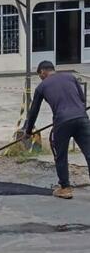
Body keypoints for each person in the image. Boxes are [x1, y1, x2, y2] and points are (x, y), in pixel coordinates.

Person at [24, 61, 90, 199]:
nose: (41, 78)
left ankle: (65, 188)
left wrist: (28, 131)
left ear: (42, 72)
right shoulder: (71, 77)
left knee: (60, 155)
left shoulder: (42, 87)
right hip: (82, 118)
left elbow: (33, 111)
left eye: (40, 75)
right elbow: (82, 99)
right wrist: (78, 113)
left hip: (62, 122)